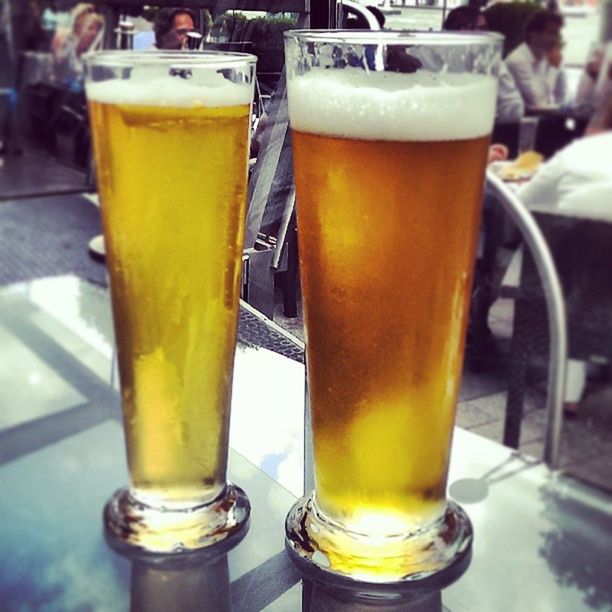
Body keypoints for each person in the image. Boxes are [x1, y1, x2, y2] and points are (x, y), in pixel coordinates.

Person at [515, 99, 612, 413]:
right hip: (599, 287)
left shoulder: (577, 154)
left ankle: (567, 390)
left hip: (570, 285)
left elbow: (522, 202)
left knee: (569, 262)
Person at [443, 6, 524, 123]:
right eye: (482, 28)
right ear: (462, 30)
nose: (486, 34)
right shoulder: (434, 59)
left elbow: (513, 108)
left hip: (481, 128)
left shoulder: (489, 61)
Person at [505, 10, 567, 109]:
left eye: (557, 34)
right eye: (551, 33)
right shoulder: (517, 60)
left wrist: (558, 66)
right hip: (522, 120)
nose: (555, 39)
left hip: (545, 117)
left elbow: (561, 95)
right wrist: (554, 68)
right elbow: (537, 102)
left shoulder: (547, 56)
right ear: (534, 34)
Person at [51, 3, 104, 87]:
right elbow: (59, 64)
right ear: (77, 28)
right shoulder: (65, 44)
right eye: (90, 28)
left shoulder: (95, 52)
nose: (94, 33)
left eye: (97, 29)